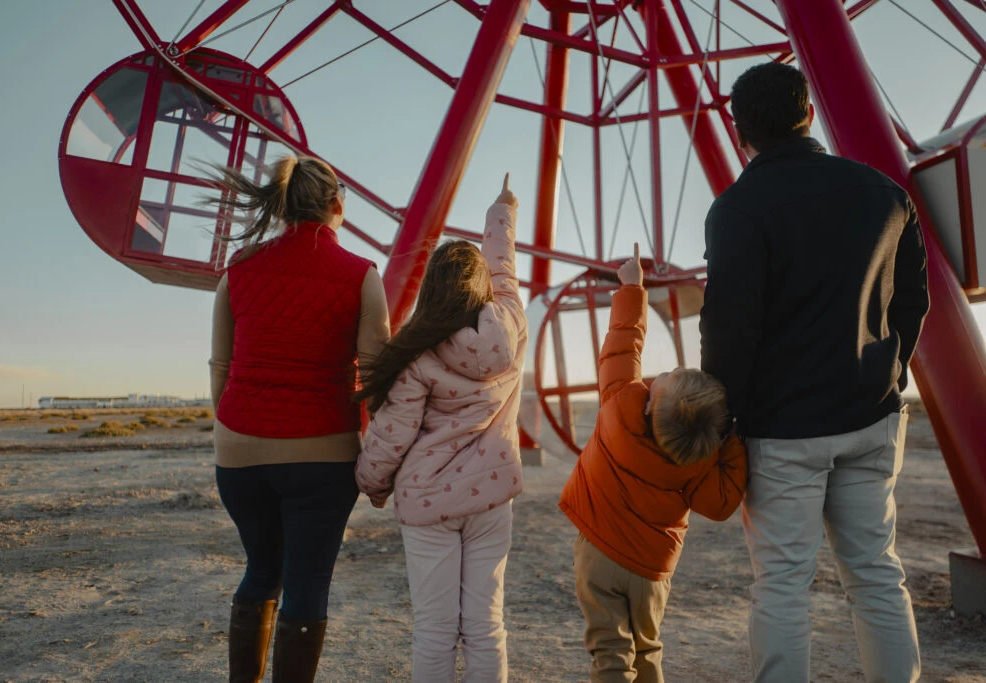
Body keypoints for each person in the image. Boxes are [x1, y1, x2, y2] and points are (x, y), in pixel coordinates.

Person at [700, 62, 930, 683]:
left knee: (781, 587)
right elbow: (911, 300)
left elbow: (729, 329)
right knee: (877, 573)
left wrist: (725, 420)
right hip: (872, 414)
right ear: (809, 113)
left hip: (782, 429)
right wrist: (890, 369)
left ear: (737, 128)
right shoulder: (883, 194)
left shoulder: (738, 210)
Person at [207, 154, 390, 682]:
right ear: (336, 206)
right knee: (307, 583)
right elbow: (375, 380)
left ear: (283, 205)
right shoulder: (361, 276)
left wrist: (233, 433)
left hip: (238, 454)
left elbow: (221, 368)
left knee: (261, 570)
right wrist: (382, 464)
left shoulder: (237, 269)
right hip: (322, 457)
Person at [354, 174, 526, 683]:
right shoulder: (512, 324)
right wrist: (503, 211)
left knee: (434, 629)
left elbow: (392, 435)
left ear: (432, 289)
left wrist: (372, 483)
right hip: (492, 498)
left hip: (428, 502)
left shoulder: (418, 350)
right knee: (486, 624)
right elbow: (504, 266)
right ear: (484, 289)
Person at [558, 243, 748, 683]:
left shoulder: (619, 402)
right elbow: (721, 505)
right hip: (650, 571)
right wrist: (734, 439)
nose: (656, 375)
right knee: (648, 648)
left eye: (662, 379)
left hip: (598, 554)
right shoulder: (697, 462)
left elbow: (622, 345)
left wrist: (632, 288)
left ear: (649, 405)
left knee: (610, 651)